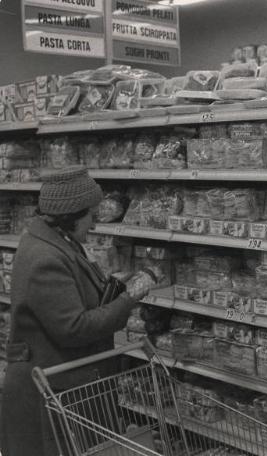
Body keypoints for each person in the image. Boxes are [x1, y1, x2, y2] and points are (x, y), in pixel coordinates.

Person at [0, 166, 154, 456]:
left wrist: (113, 287)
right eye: (91, 216)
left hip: (64, 385)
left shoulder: (58, 241)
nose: (95, 225)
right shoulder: (44, 257)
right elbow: (73, 328)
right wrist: (129, 298)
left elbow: (75, 294)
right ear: (69, 217)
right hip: (48, 394)